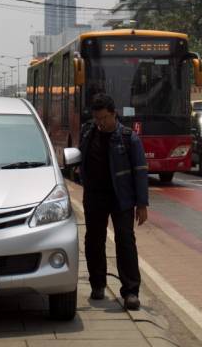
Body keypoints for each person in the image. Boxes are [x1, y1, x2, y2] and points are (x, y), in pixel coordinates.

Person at [78, 93, 149, 311]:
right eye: (97, 119)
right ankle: (98, 284)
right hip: (95, 197)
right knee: (93, 241)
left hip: (122, 198)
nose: (100, 123)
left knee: (125, 242)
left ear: (114, 114)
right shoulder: (89, 133)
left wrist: (142, 204)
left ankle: (131, 292)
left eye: (104, 118)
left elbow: (140, 171)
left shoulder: (128, 138)